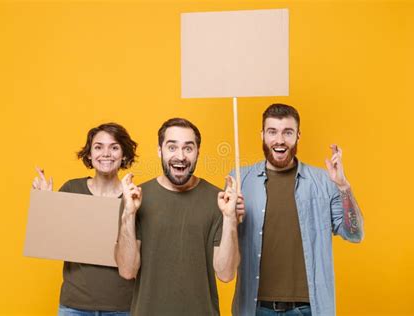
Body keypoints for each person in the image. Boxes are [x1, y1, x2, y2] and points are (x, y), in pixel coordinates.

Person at [232, 104, 364, 316]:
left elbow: (354, 233)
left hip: (309, 309)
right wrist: (229, 217)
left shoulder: (323, 181)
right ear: (262, 135)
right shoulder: (240, 179)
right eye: (272, 131)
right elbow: (225, 242)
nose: (280, 140)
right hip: (256, 308)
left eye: (288, 132)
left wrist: (343, 187)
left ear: (298, 136)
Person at [115, 117, 244, 316]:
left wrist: (230, 219)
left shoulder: (218, 200)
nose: (180, 156)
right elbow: (127, 270)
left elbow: (226, 274)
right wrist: (128, 214)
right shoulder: (136, 199)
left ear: (198, 153)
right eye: (172, 147)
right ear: (160, 151)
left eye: (188, 148)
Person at [32, 123, 137, 316]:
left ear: (124, 155)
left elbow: (140, 256)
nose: (106, 153)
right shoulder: (72, 190)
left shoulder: (134, 198)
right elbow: (48, 239)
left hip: (122, 308)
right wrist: (44, 205)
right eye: (98, 147)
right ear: (89, 154)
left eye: (114, 147)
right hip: (74, 306)